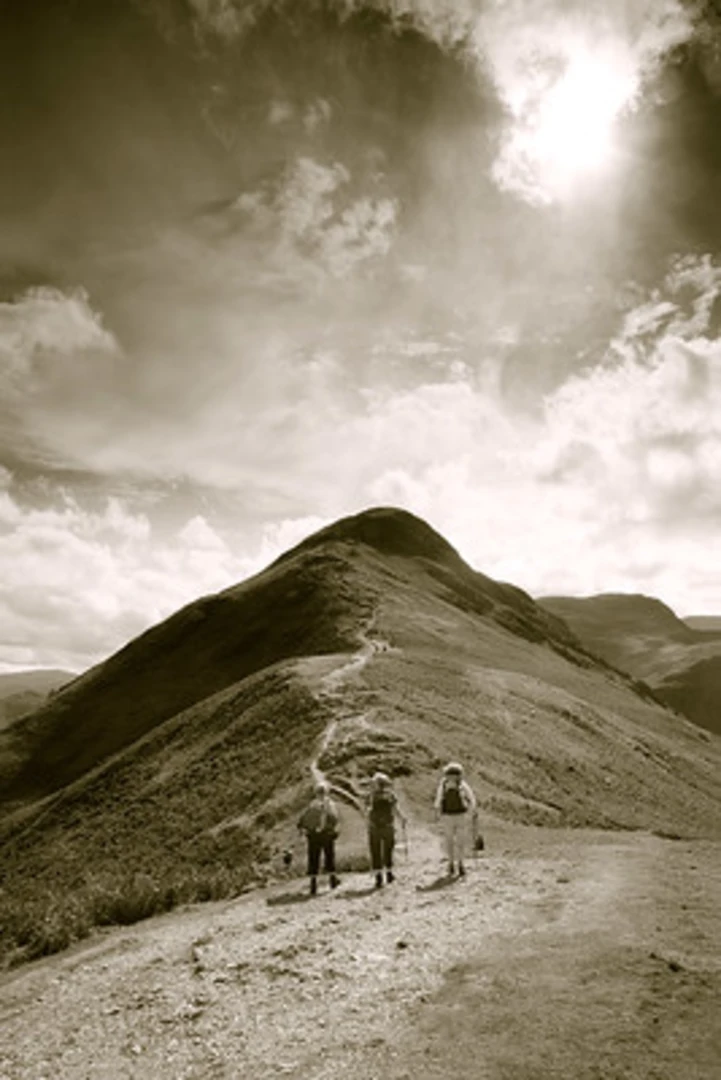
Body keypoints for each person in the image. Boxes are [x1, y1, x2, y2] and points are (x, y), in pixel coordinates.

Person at [434, 762, 477, 878]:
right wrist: (473, 811)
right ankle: (461, 864)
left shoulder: (443, 784)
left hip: (447, 816)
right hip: (461, 815)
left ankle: (451, 863)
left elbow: (438, 800)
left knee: (449, 841)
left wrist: (438, 814)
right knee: (460, 841)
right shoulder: (462, 784)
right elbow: (471, 798)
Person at [297, 780, 341, 895]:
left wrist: (303, 828)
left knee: (313, 858)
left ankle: (313, 884)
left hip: (313, 836)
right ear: (327, 792)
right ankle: (332, 880)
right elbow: (335, 818)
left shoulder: (312, 804)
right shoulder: (331, 804)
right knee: (329, 856)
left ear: (316, 792)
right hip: (326, 835)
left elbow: (303, 819)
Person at [367, 771, 406, 888]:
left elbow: (367, 811)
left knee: (375, 851)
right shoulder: (390, 795)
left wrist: (369, 823)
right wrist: (402, 819)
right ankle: (389, 874)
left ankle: (378, 878)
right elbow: (395, 809)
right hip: (388, 826)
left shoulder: (372, 796)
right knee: (388, 850)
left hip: (374, 828)